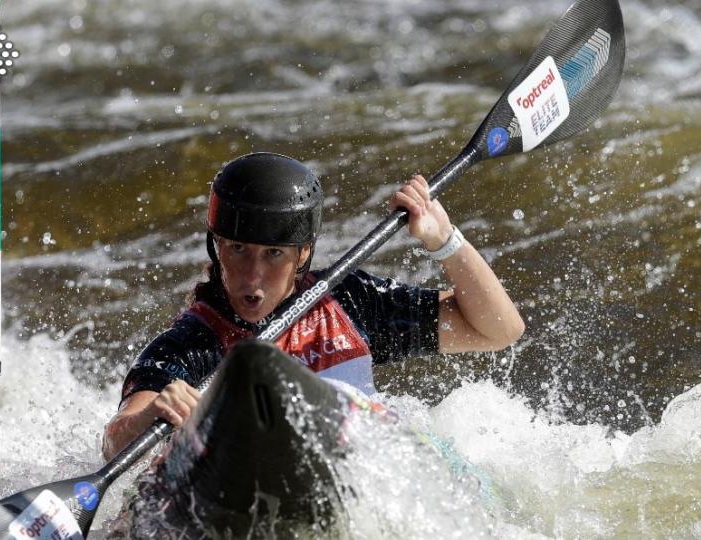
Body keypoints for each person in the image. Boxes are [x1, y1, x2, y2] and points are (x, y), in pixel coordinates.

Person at [102, 152, 524, 459]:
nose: (252, 277)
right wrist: (152, 415)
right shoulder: (191, 342)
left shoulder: (349, 301)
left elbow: (498, 330)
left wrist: (444, 241)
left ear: (303, 253)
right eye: (237, 249)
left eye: (273, 254)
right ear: (216, 247)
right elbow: (116, 440)